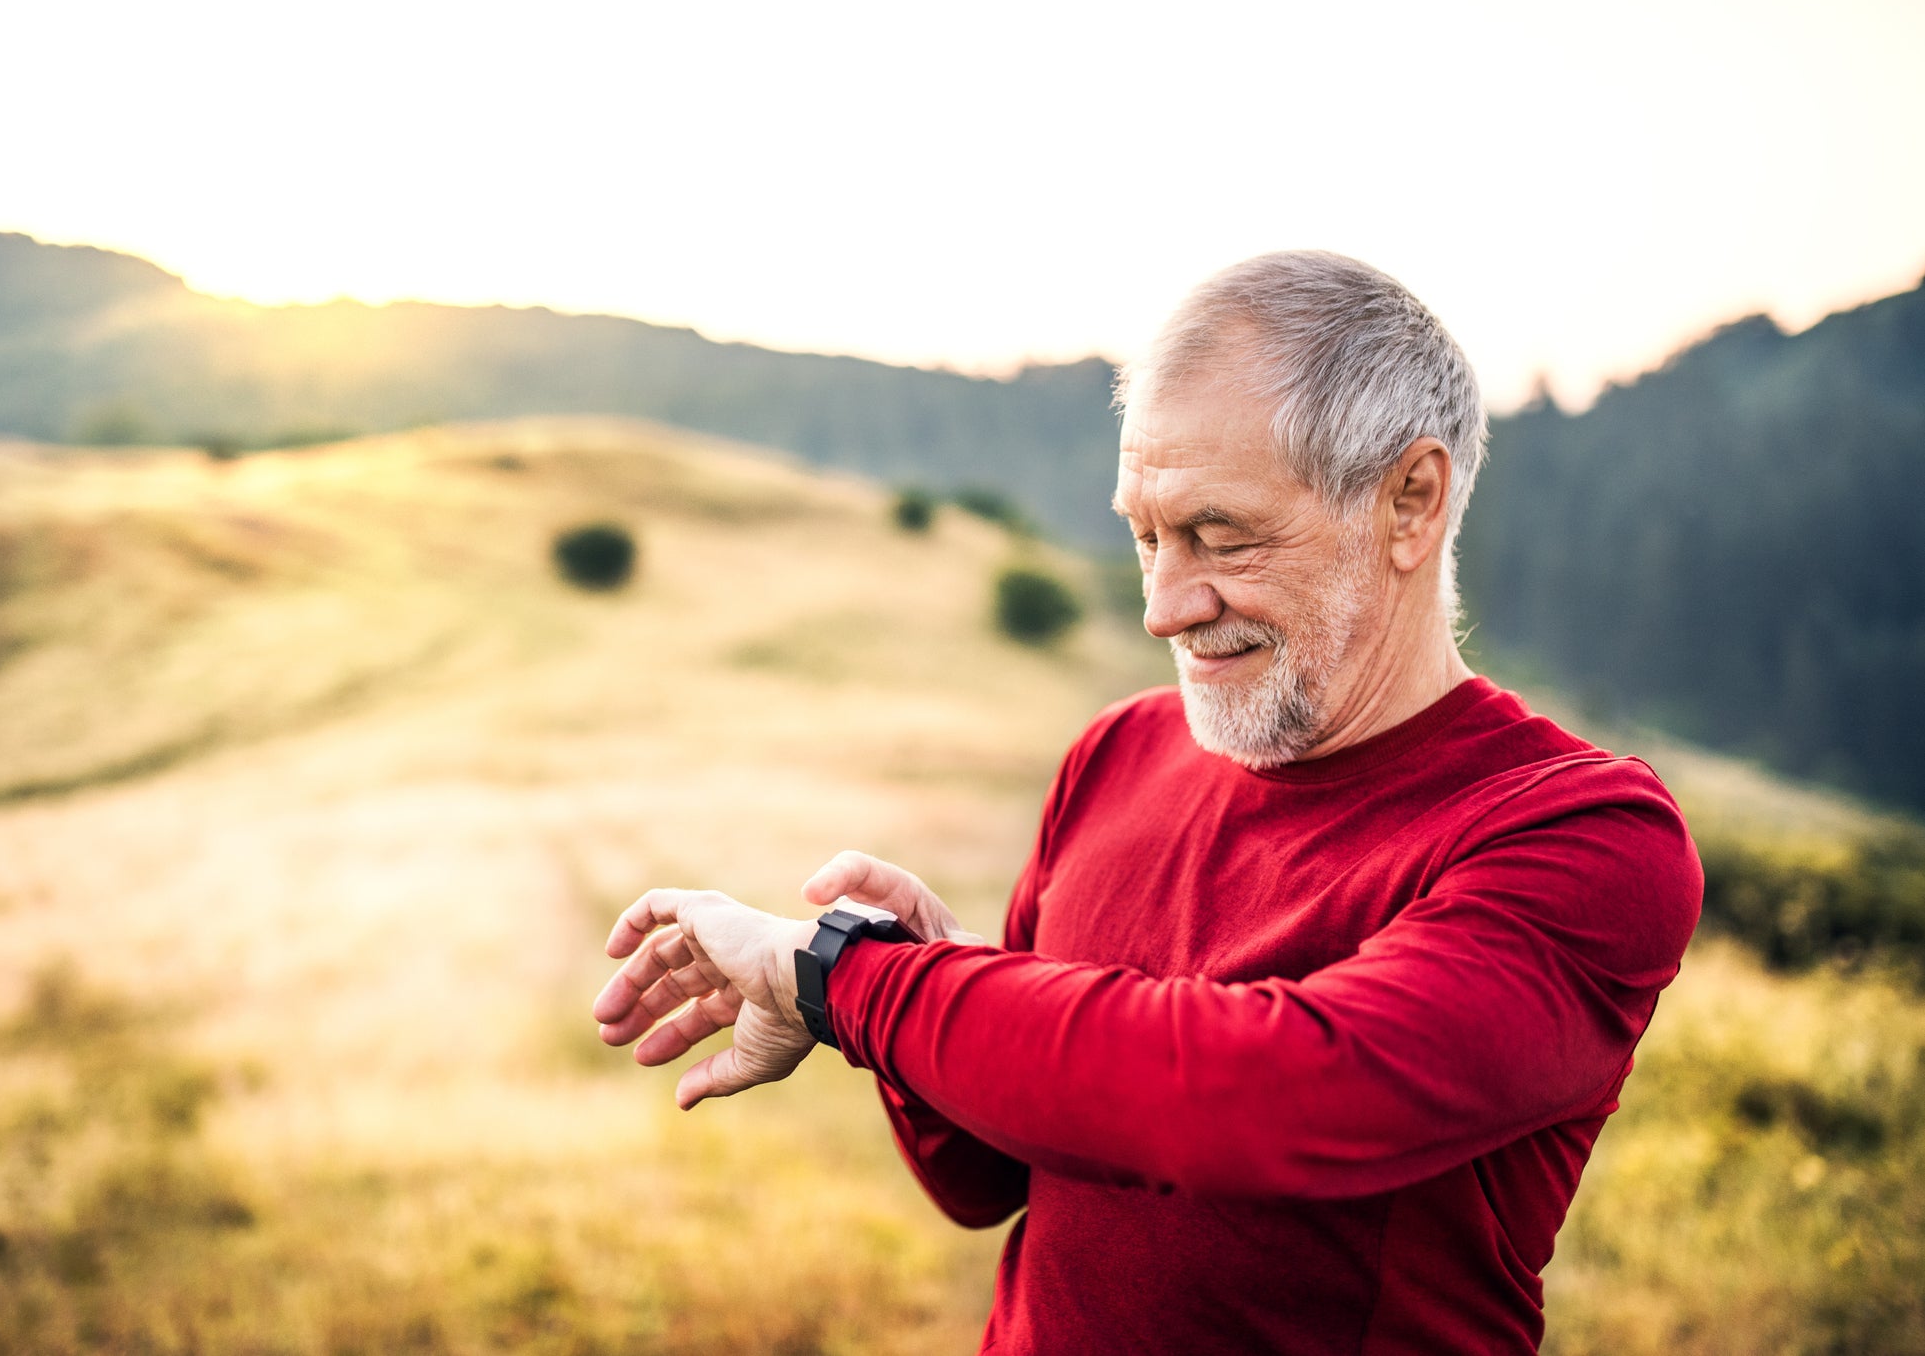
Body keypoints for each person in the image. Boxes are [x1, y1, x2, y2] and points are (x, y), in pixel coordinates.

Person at [592, 251, 1703, 1354]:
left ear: (1410, 501)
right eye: (1145, 536)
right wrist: (922, 972)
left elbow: (1267, 1102)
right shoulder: (1118, 751)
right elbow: (983, 1181)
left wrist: (847, 978)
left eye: (1222, 537)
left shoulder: (1581, 834)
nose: (1166, 605)